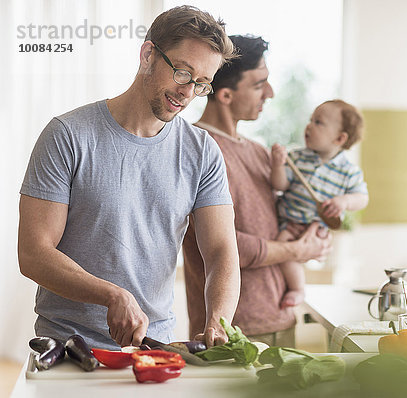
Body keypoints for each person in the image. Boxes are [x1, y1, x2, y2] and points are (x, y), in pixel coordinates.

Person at [17, 6, 241, 350]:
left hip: (154, 348)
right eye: (182, 72)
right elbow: (33, 253)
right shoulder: (68, 135)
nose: (187, 93)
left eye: (201, 84)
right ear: (148, 54)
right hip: (67, 349)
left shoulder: (202, 152)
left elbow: (221, 250)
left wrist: (217, 319)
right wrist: (111, 294)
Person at [182, 35, 332, 348]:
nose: (271, 93)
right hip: (229, 332)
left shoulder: (260, 153)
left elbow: (279, 222)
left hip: (282, 319)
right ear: (224, 95)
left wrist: (312, 235)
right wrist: (296, 250)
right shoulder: (195, 150)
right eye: (258, 84)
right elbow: (226, 246)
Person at [271, 100, 369, 308]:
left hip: (317, 227)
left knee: (288, 253)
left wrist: (344, 201)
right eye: (310, 120)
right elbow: (280, 184)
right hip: (290, 222)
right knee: (284, 250)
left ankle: (297, 289)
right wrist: (278, 165)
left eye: (318, 122)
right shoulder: (296, 157)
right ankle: (295, 287)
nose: (309, 125)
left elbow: (362, 197)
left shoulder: (348, 171)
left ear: (339, 138)